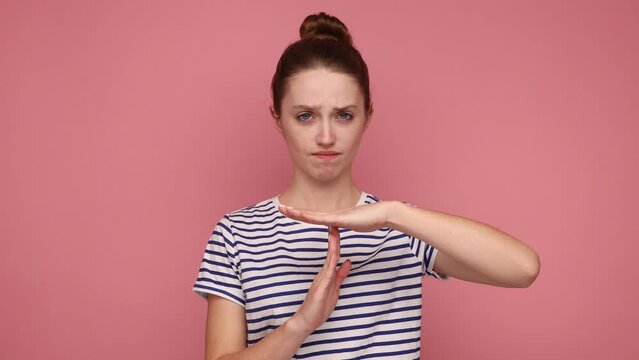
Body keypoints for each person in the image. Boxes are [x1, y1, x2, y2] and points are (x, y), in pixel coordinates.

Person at [192, 11, 540, 360]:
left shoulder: (400, 227)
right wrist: (300, 325)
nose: (326, 137)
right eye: (305, 116)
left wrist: (391, 213)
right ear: (278, 119)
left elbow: (522, 269)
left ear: (366, 118)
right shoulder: (236, 234)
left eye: (344, 115)